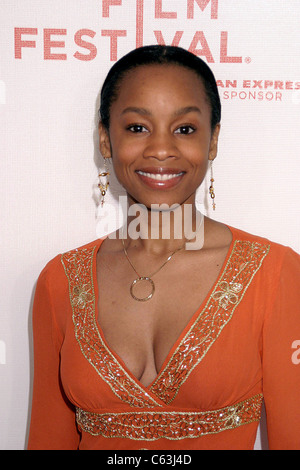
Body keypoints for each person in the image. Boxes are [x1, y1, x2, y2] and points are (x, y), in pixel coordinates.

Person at [27, 45, 300, 450]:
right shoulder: (60, 281)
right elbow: (48, 437)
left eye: (185, 129)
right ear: (106, 139)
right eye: (137, 127)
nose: (160, 149)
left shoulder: (275, 273)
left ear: (213, 142)